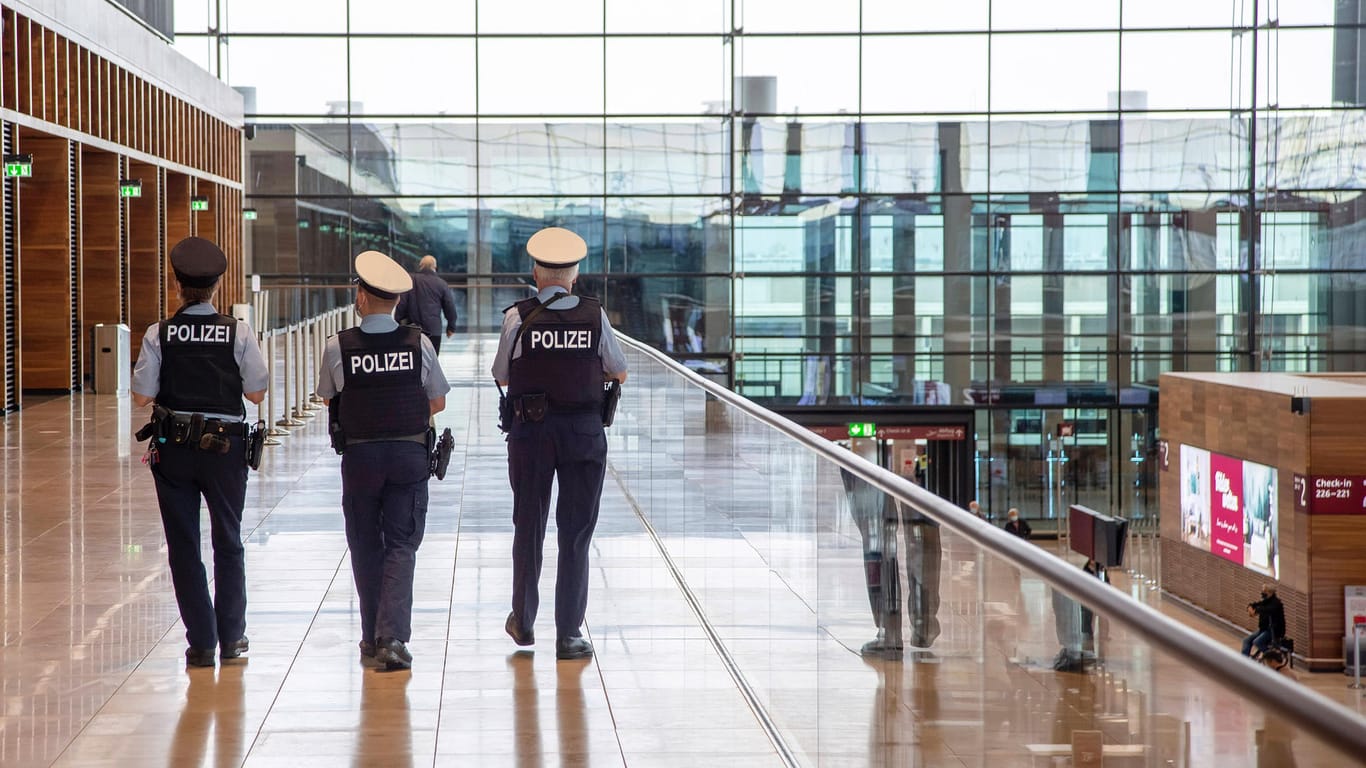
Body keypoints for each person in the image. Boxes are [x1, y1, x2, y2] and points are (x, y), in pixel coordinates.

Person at [131, 237, 269, 667]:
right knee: (228, 540)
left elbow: (140, 397)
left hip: (174, 451)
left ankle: (202, 642)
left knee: (184, 545)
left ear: (177, 286)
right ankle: (232, 637)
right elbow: (257, 393)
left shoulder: (160, 333)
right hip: (225, 449)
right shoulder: (238, 332)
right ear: (217, 287)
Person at [493, 227, 628, 661]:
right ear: (574, 277)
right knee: (575, 533)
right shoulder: (595, 315)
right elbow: (618, 370)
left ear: (536, 273)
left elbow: (502, 375)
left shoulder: (518, 317)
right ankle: (569, 633)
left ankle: (524, 620)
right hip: (585, 435)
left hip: (532, 433)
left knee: (528, 525)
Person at [316, 250, 450, 670]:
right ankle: (391, 637)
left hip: (359, 457)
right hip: (409, 455)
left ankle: (373, 634)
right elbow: (438, 400)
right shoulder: (419, 343)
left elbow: (328, 397)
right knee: (402, 544)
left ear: (360, 296)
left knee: (364, 544)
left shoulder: (339, 346)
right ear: (396, 302)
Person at [840, 468, 942, 661]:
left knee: (877, 534)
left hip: (868, 458)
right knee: (922, 531)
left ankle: (890, 629)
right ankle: (923, 623)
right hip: (922, 451)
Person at [395, 254, 457, 353]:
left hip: (412, 331)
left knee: (414, 362)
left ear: (420, 266)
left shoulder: (411, 280)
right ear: (435, 267)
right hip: (434, 331)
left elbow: (401, 304)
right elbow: (449, 307)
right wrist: (451, 327)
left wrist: (396, 322)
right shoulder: (441, 283)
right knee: (432, 362)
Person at [1242, 584, 1285, 660]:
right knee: (1247, 641)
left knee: (1257, 642)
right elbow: (1255, 604)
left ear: (1270, 592)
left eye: (1264, 591)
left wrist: (1256, 611)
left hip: (1273, 631)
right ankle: (1244, 660)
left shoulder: (1276, 603)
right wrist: (1250, 607)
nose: (1262, 592)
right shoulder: (1266, 601)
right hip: (1263, 629)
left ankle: (1272, 657)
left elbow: (1267, 609)